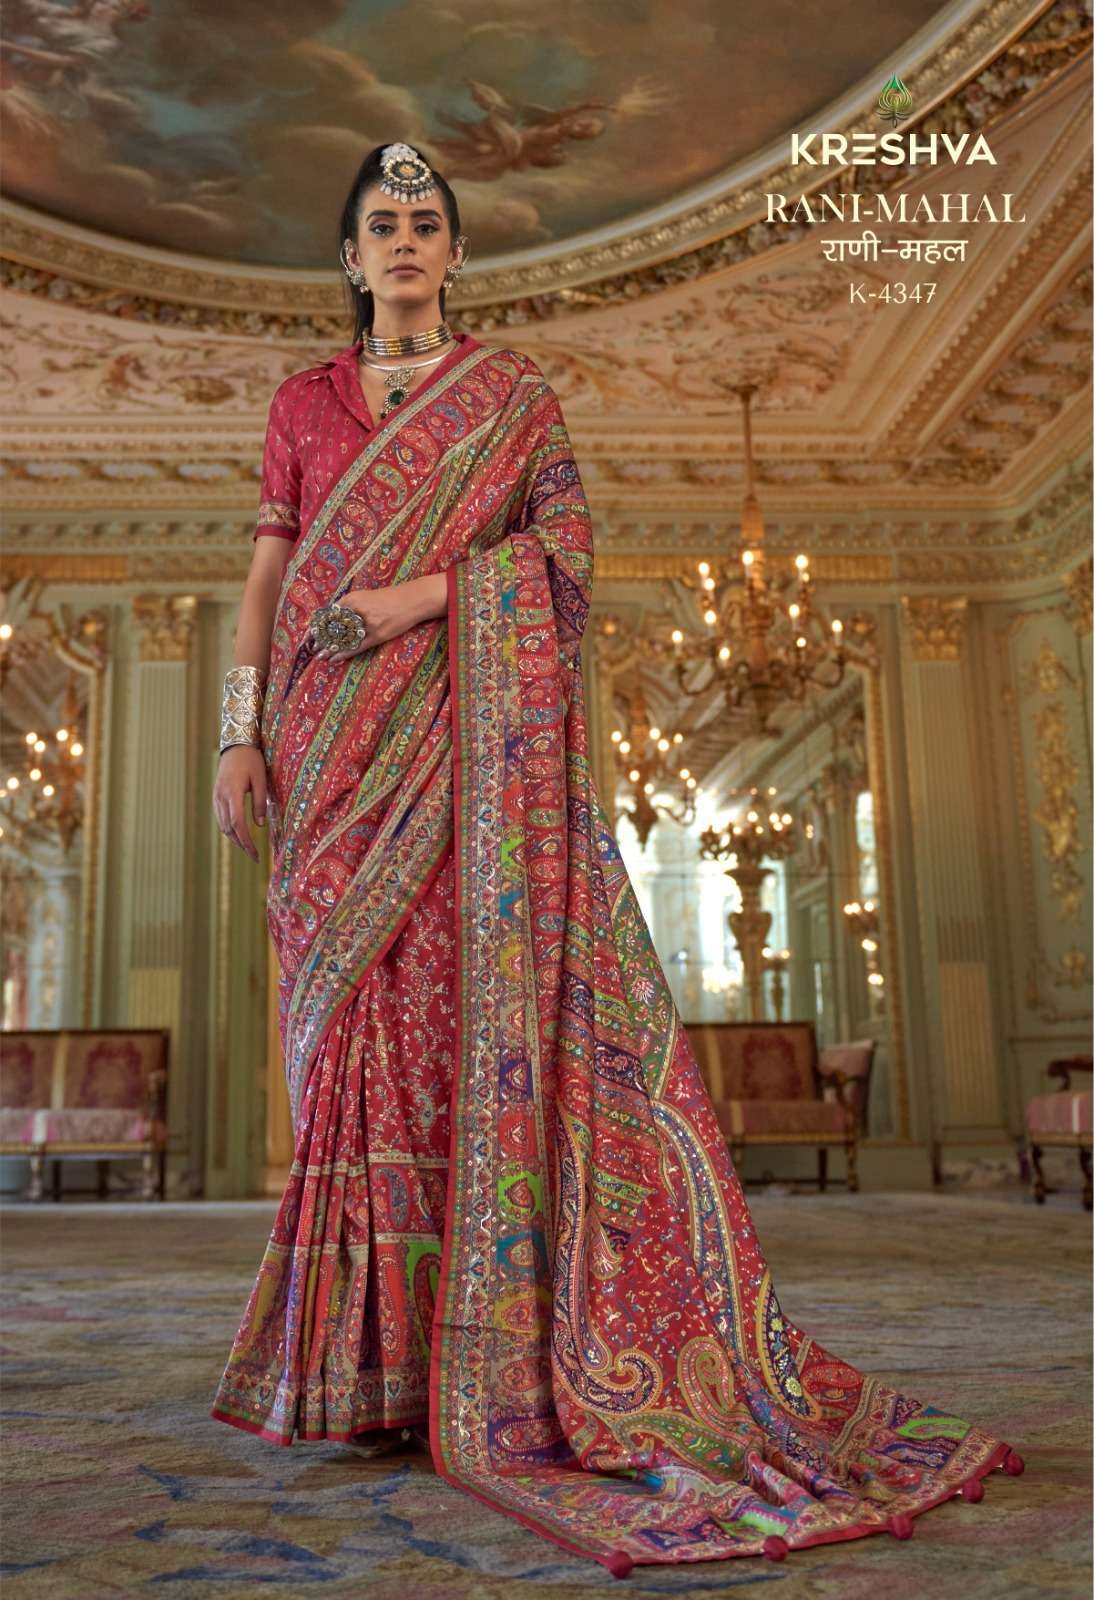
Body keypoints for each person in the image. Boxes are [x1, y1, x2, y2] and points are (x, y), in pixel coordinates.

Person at [209, 141, 1023, 1578]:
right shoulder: (300, 404)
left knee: (451, 1031)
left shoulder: (511, 396)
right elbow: (268, 574)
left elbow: (566, 554)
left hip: (459, 752)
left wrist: (412, 598)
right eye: (382, 223)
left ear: (456, 253)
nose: (406, 239)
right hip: (322, 750)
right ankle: (357, 1371)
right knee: (342, 1038)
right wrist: (236, 731)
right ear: (350, 257)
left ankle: (470, 1364)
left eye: (427, 222)